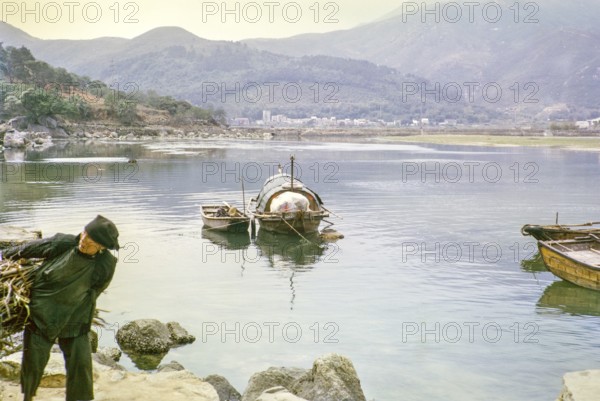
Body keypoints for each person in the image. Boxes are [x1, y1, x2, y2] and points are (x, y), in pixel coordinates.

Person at [2, 215, 120, 401]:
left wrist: (74, 302)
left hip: (75, 316)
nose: (83, 240)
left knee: (80, 367)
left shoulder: (105, 264)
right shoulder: (63, 244)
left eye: (91, 240)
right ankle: (28, 397)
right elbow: (28, 249)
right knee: (33, 364)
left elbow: (96, 290)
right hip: (42, 313)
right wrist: (5, 255)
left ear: (101, 247)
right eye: (84, 234)